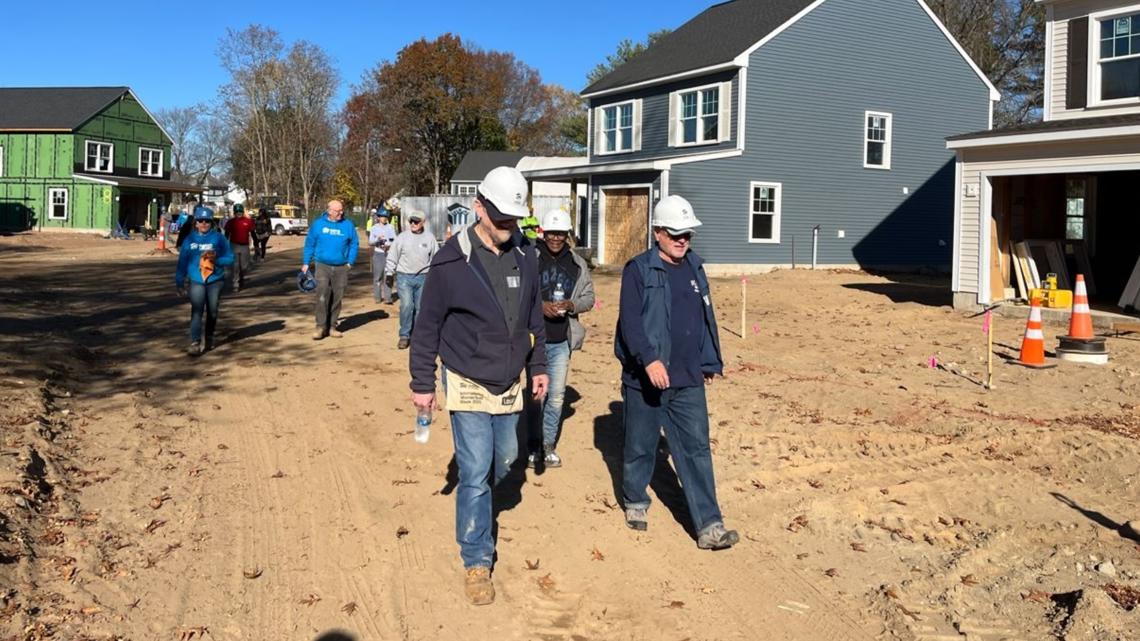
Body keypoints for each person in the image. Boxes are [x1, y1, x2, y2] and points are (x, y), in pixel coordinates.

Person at [409, 166, 549, 606]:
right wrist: (422, 382)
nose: (509, 226)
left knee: (507, 457)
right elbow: (426, 325)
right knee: (474, 472)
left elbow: (534, 318)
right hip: (466, 376)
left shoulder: (527, 256)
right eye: (501, 217)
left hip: (508, 377)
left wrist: (539, 364)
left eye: (514, 218)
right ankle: (476, 558)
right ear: (478, 207)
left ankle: (481, 493)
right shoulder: (452, 260)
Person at [614, 195, 739, 551]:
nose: (683, 239)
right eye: (675, 233)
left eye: (688, 234)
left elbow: (704, 320)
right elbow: (631, 323)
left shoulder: (696, 268)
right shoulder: (638, 269)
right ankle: (636, 500)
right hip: (646, 378)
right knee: (641, 445)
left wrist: (709, 360)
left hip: (688, 378)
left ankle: (710, 525)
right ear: (657, 233)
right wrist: (649, 359)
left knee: (697, 449)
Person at [528, 209, 594, 469]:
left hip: (561, 340)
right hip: (533, 339)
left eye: (561, 233)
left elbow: (589, 297)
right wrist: (539, 306)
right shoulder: (529, 258)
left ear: (568, 235)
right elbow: (517, 295)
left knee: (555, 396)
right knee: (536, 394)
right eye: (552, 233)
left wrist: (573, 304)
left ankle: (547, 446)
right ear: (543, 232)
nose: (556, 238)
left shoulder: (577, 264)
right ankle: (532, 446)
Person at [175, 206, 234, 356]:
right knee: (197, 311)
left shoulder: (218, 238)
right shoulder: (189, 240)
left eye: (207, 221)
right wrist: (179, 282)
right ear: (195, 223)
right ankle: (195, 342)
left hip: (215, 280)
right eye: (200, 221)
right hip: (196, 280)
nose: (203, 224)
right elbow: (182, 263)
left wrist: (217, 260)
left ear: (212, 223)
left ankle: (209, 336)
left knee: (212, 311)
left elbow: (230, 257)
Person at [302, 199, 359, 340]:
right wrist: (306, 262)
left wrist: (350, 262)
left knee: (337, 297)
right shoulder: (318, 225)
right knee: (322, 295)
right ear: (329, 211)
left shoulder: (348, 225)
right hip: (322, 265)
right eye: (337, 211)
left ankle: (332, 326)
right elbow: (310, 244)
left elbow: (354, 244)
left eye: (341, 210)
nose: (341, 213)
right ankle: (320, 327)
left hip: (341, 267)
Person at [386, 210, 437, 349]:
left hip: (424, 277)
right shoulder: (402, 237)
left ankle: (418, 335)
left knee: (420, 308)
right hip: (404, 276)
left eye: (416, 221)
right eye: (411, 221)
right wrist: (389, 274)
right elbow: (392, 255)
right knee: (407, 306)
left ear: (423, 222)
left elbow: (435, 258)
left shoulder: (430, 238)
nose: (413, 224)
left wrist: (436, 276)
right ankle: (404, 335)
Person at [223, 204, 255, 292]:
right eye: (237, 212)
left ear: (242, 212)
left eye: (240, 211)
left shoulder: (248, 221)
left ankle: (241, 278)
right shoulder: (230, 222)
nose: (238, 213)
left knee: (244, 266)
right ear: (234, 213)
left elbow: (253, 234)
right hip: (234, 245)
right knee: (235, 266)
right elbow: (226, 234)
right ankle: (235, 284)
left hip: (244, 246)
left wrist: (256, 245)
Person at [368, 209, 397, 304]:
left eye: (386, 217)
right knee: (378, 276)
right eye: (382, 216)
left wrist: (390, 245)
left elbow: (395, 240)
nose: (384, 218)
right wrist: (377, 239)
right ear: (379, 217)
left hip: (389, 254)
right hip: (378, 253)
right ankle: (377, 297)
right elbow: (370, 241)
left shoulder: (391, 227)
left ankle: (388, 298)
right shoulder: (374, 228)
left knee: (389, 275)